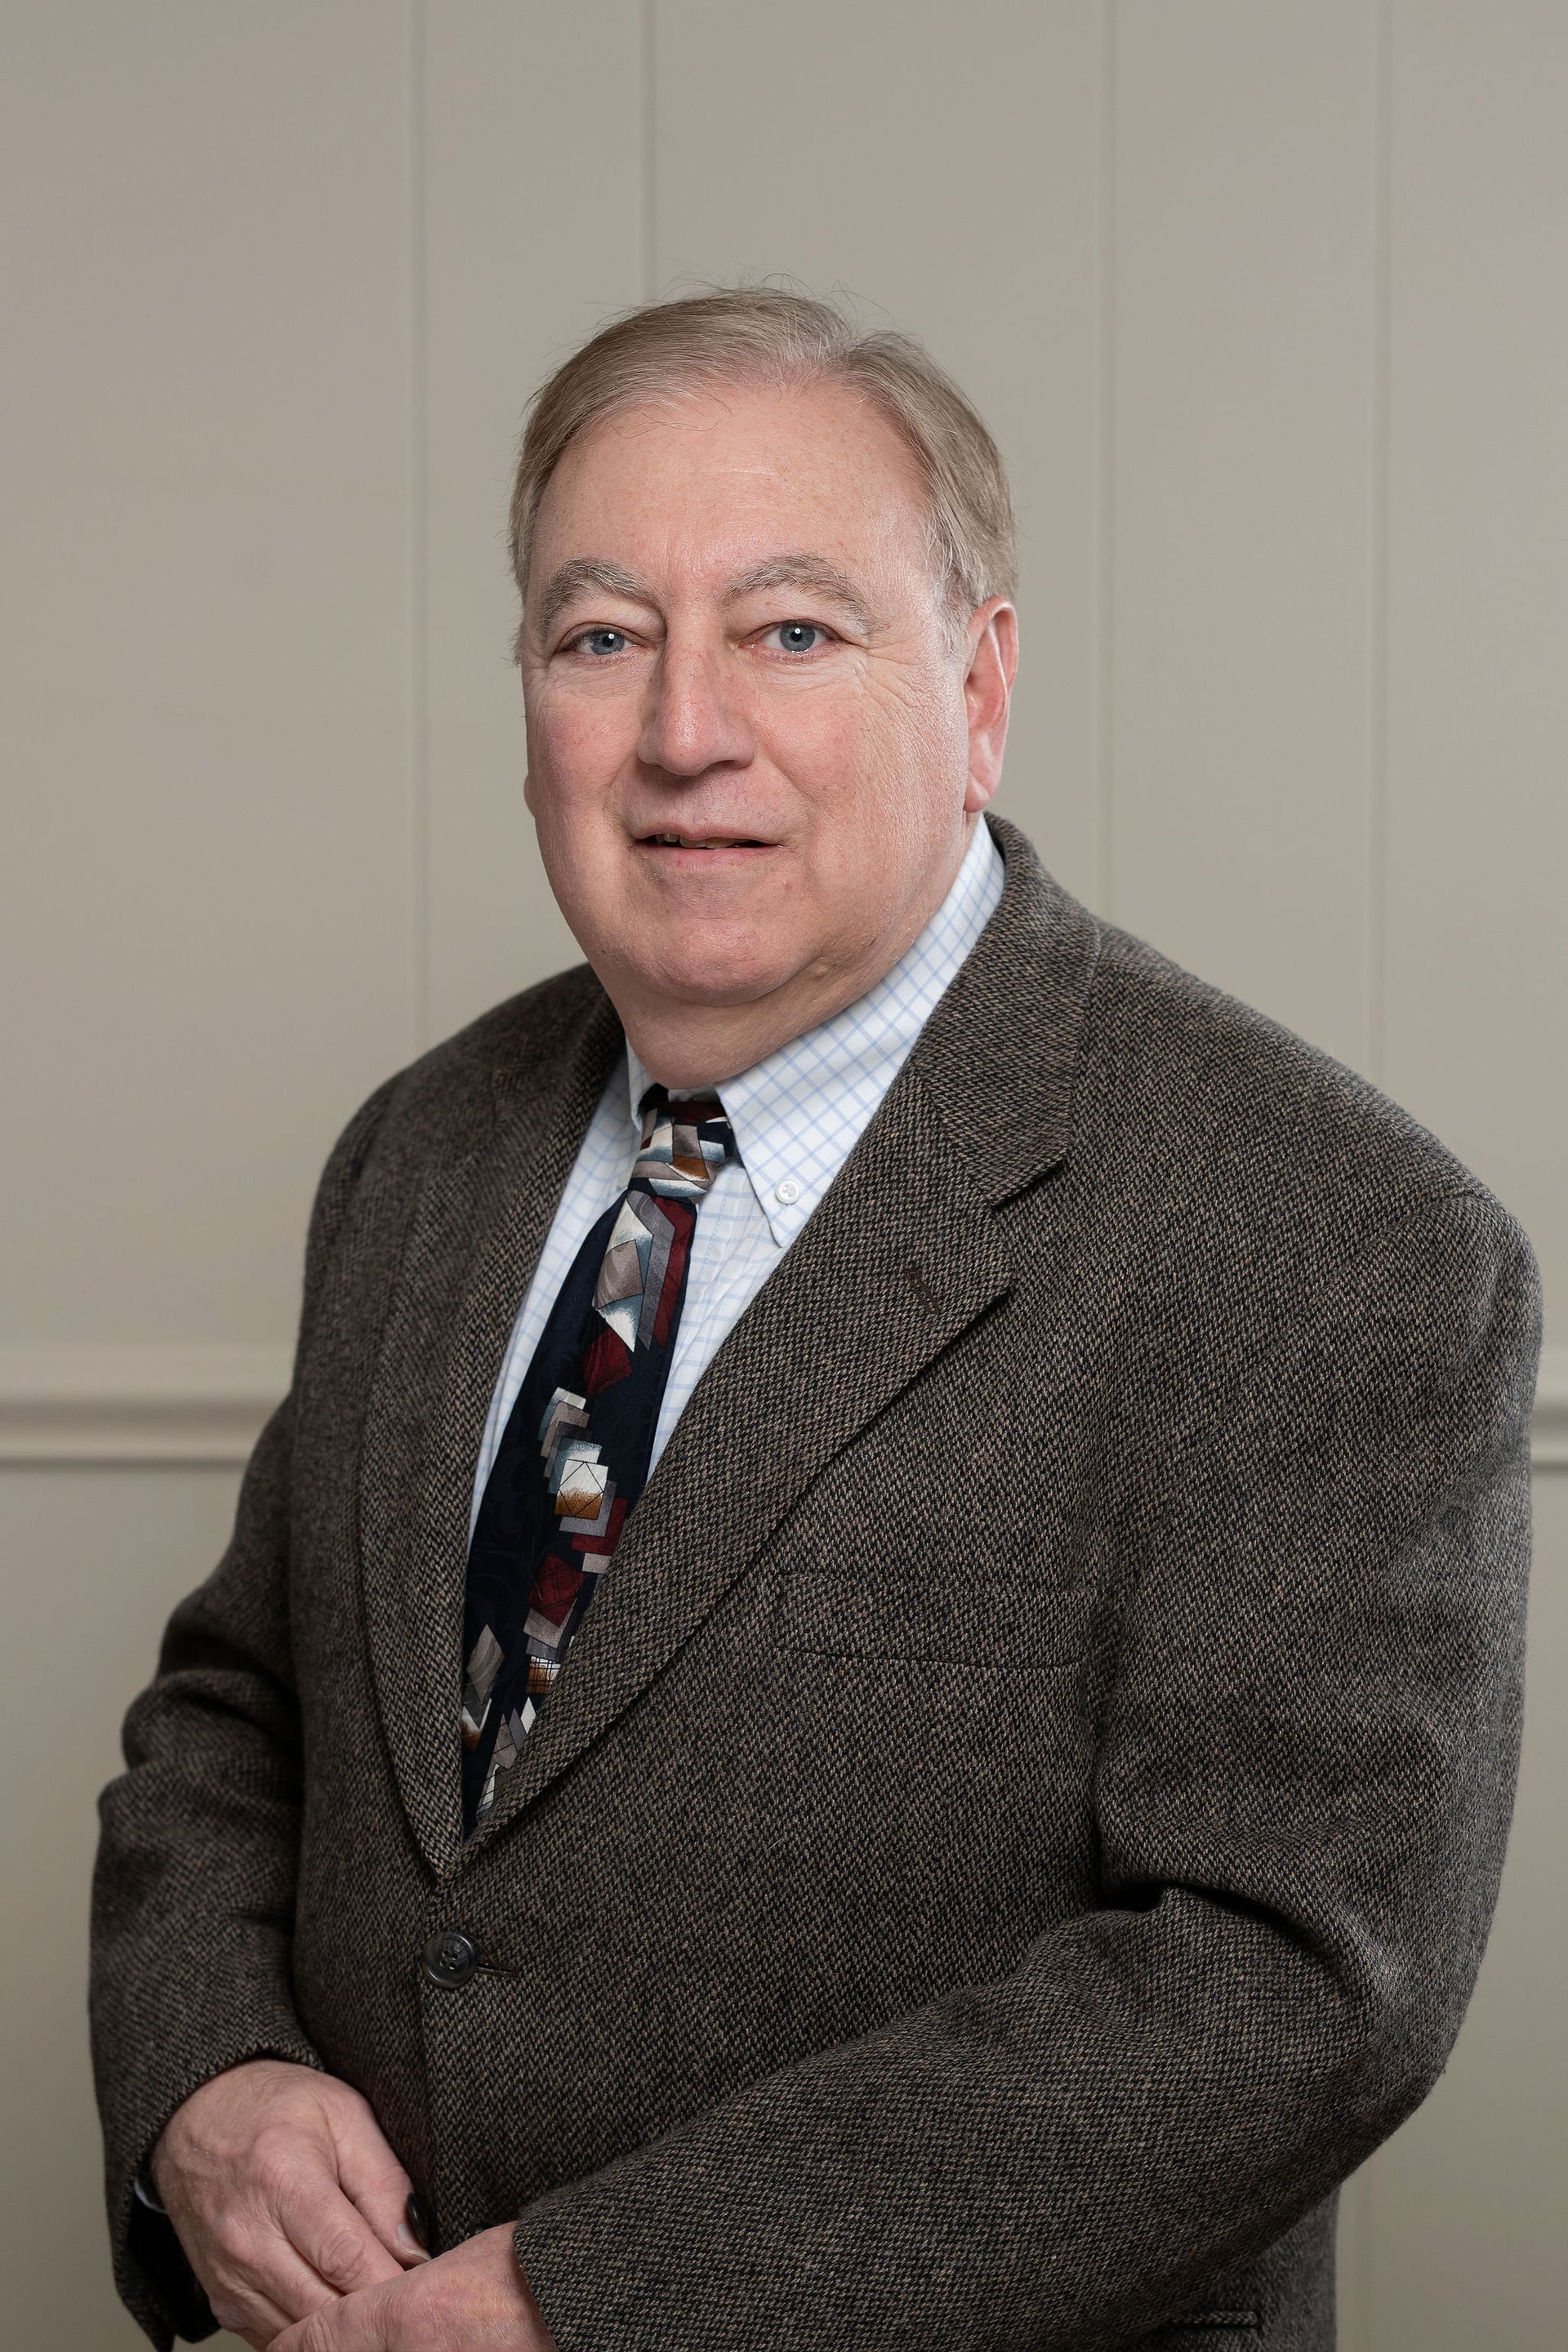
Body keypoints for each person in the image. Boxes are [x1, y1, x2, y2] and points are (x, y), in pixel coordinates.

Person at [90, 287, 1541, 2352]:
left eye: (792, 629)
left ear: (981, 683)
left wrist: (597, 2300)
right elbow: (240, 1720)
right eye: (603, 636)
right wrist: (202, 2084)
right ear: (530, 699)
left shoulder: (1328, 1237)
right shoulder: (422, 1153)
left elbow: (1287, 1983)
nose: (686, 730)